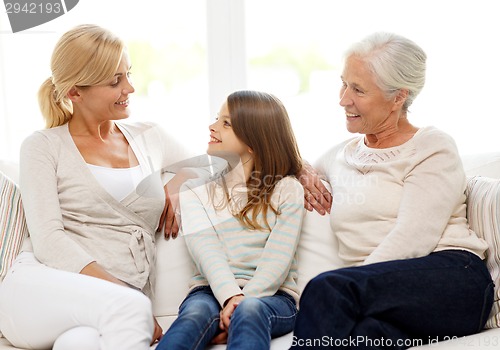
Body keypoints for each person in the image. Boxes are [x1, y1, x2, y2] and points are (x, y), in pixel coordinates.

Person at [291, 32, 494, 349]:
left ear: (398, 97)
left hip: (452, 279)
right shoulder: (339, 155)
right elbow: (290, 165)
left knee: (326, 289)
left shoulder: (431, 146)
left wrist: (351, 287)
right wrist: (301, 169)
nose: (343, 99)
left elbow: (413, 237)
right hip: (383, 296)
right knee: (364, 338)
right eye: (343, 84)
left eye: (358, 89)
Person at [0, 24, 190, 350]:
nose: (129, 87)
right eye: (115, 81)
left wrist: (178, 183)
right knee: (132, 309)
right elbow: (48, 240)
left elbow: (215, 161)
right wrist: (124, 294)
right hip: (40, 289)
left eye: (128, 73)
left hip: (104, 308)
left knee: (80, 343)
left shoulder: (150, 136)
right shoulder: (42, 146)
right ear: (75, 92)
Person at [156, 90, 305, 350]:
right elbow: (206, 251)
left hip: (273, 296)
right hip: (209, 290)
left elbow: (277, 259)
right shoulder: (196, 191)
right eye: (217, 119)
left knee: (250, 310)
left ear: (252, 141)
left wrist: (242, 301)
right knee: (195, 315)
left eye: (226, 123)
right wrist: (230, 297)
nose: (212, 127)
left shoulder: (287, 189)